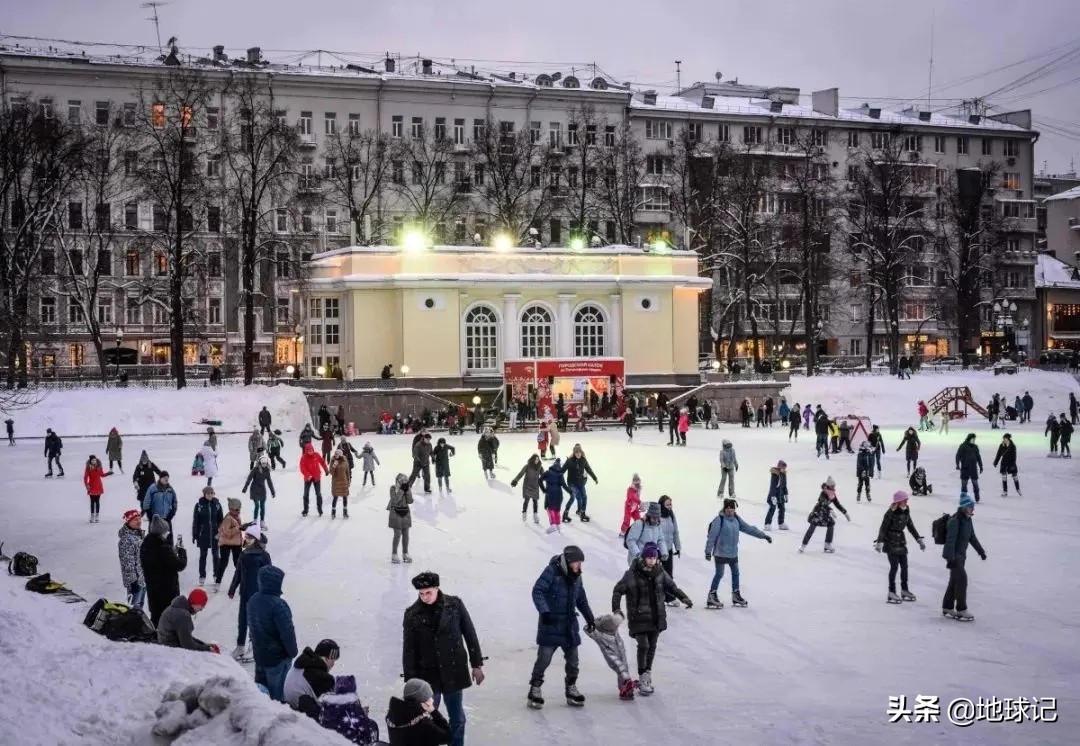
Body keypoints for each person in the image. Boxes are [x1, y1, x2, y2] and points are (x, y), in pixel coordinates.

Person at [402, 572, 485, 746]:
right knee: (428, 720)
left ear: (437, 589)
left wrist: (476, 664)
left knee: (457, 719)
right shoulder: (411, 614)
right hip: (428, 677)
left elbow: (470, 633)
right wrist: (411, 682)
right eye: (421, 593)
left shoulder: (455, 605)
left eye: (428, 593)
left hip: (453, 672)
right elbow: (409, 650)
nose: (424, 597)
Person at [611, 542, 692, 696]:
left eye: (653, 557)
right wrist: (616, 609)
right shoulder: (631, 574)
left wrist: (684, 598)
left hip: (656, 617)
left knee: (652, 646)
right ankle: (642, 676)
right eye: (648, 557)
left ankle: (647, 673)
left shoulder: (660, 572)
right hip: (638, 618)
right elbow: (617, 591)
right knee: (643, 645)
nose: (651, 560)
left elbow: (672, 587)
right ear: (643, 558)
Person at [527, 545, 596, 710]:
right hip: (550, 623)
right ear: (568, 561)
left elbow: (581, 599)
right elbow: (538, 591)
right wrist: (544, 611)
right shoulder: (552, 571)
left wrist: (590, 618)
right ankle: (535, 689)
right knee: (544, 659)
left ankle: (571, 688)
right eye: (577, 563)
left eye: (580, 563)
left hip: (569, 626)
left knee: (573, 662)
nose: (579, 566)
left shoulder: (577, 577)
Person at [705, 498, 771, 608]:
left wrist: (763, 535)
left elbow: (749, 528)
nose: (730, 512)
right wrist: (708, 551)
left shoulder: (736, 519)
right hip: (720, 552)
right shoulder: (719, 520)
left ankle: (735, 595)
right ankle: (712, 595)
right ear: (724, 509)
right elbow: (712, 536)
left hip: (732, 553)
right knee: (719, 574)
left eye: (732, 509)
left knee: (736, 573)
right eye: (728, 509)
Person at [248, 565, 298, 702]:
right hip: (278, 660)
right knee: (278, 700)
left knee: (261, 696)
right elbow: (287, 632)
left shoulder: (253, 600)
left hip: (260, 656)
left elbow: (252, 628)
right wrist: (292, 652)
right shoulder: (278, 605)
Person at [228, 524, 272, 660]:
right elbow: (238, 572)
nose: (246, 539)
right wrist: (232, 588)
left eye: (249, 537)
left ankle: (254, 647)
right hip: (245, 593)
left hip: (257, 594)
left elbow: (269, 575)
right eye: (245, 536)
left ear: (256, 539)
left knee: (254, 621)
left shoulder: (264, 556)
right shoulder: (244, 553)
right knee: (242, 620)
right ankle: (240, 645)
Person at [875, 490, 926, 604]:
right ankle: (891, 592)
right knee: (894, 567)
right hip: (890, 541)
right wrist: (880, 542)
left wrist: (919, 540)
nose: (906, 501)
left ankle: (904, 590)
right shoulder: (890, 513)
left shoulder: (906, 511)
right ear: (898, 502)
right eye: (904, 500)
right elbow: (883, 528)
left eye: (906, 500)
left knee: (904, 566)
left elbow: (910, 526)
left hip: (901, 541)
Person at [942, 493, 987, 621]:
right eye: (971, 507)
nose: (973, 509)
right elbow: (950, 541)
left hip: (961, 556)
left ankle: (947, 606)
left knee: (954, 581)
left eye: (973, 507)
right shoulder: (955, 521)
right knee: (962, 579)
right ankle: (961, 609)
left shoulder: (967, 519)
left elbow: (972, 537)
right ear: (964, 507)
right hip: (954, 556)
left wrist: (981, 551)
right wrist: (950, 558)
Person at [140, 516, 188, 627]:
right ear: (161, 532)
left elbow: (161, 561)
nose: (168, 533)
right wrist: (182, 551)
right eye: (166, 531)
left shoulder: (146, 545)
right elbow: (180, 565)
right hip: (167, 590)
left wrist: (172, 552)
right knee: (167, 619)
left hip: (153, 589)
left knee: (156, 617)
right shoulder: (163, 548)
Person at [583, 612, 635, 701]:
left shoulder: (613, 627)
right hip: (610, 655)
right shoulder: (599, 635)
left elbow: (617, 619)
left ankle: (624, 687)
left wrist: (619, 616)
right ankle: (626, 682)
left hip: (621, 651)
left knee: (624, 667)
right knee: (620, 668)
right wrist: (592, 625)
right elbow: (586, 629)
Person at [386, 678, 452, 746]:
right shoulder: (424, 724)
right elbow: (448, 737)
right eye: (429, 698)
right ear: (422, 702)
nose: (432, 700)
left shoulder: (392, 714)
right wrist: (433, 711)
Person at [284, 638, 339, 716]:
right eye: (333, 659)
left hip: (290, 702)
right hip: (302, 709)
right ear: (327, 658)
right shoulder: (321, 677)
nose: (333, 664)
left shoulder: (304, 662)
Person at [799, 477, 850, 553]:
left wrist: (845, 513)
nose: (834, 487)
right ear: (829, 486)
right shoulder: (824, 492)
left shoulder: (832, 494)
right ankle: (803, 545)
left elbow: (837, 504)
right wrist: (831, 510)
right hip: (818, 512)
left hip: (825, 513)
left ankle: (827, 544)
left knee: (831, 524)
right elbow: (823, 504)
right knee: (812, 526)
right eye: (832, 486)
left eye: (834, 486)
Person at [158, 588, 218, 652]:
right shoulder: (183, 615)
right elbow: (188, 645)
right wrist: (207, 649)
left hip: (166, 642)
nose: (202, 608)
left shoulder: (178, 607)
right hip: (169, 648)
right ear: (195, 602)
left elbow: (186, 637)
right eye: (202, 605)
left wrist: (204, 644)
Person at [191, 486, 223, 587]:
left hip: (215, 535)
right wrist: (195, 534)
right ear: (204, 494)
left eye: (211, 493)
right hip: (203, 535)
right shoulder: (199, 505)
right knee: (203, 556)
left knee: (216, 556)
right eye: (208, 493)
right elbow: (195, 521)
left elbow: (221, 520)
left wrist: (220, 532)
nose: (210, 495)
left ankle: (216, 575)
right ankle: (202, 576)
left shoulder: (217, 505)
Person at [562, 444, 598, 523]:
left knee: (584, 497)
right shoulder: (569, 461)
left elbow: (589, 469)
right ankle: (565, 514)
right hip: (571, 483)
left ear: (581, 452)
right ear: (574, 453)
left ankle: (582, 513)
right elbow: (562, 471)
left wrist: (594, 478)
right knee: (573, 496)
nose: (578, 454)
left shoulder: (583, 460)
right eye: (576, 452)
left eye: (579, 452)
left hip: (580, 482)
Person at [624, 501, 668, 567]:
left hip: (651, 560)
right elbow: (630, 540)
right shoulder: (639, 524)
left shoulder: (657, 526)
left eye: (657, 518)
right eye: (654, 518)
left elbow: (660, 540)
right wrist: (637, 553)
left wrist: (664, 552)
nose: (656, 520)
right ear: (649, 516)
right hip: (637, 560)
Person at [118, 508, 146, 609]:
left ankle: (138, 624)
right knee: (134, 609)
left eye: (139, 519)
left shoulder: (138, 535)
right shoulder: (126, 539)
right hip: (135, 581)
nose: (139, 521)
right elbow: (127, 563)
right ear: (128, 522)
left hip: (142, 578)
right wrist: (133, 581)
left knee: (139, 607)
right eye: (135, 519)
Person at [657, 496, 682, 606]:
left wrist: (678, 546)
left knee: (669, 575)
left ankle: (669, 598)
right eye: (667, 505)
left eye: (670, 504)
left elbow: (675, 531)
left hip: (669, 549)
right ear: (662, 505)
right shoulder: (656, 516)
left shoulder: (671, 515)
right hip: (657, 551)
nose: (669, 507)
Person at [242, 455, 276, 530]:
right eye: (263, 463)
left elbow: (269, 482)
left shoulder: (267, 471)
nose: (264, 465)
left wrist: (272, 492)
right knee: (257, 505)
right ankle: (255, 520)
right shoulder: (255, 469)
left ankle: (262, 521)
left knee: (262, 506)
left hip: (262, 490)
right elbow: (249, 479)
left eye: (265, 463)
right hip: (254, 489)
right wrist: (245, 488)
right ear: (260, 463)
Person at [215, 498, 244, 586]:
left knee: (238, 563)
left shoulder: (237, 517)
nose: (238, 511)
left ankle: (243, 581)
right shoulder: (228, 518)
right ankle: (218, 581)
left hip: (236, 544)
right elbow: (227, 532)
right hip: (225, 543)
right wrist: (239, 528)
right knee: (223, 562)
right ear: (231, 509)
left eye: (239, 509)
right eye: (236, 510)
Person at [540, 458, 572, 534]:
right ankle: (558, 525)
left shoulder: (548, 473)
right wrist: (570, 492)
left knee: (550, 509)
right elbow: (564, 485)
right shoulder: (560, 475)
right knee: (557, 510)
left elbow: (539, 480)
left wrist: (544, 490)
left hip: (550, 493)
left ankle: (553, 525)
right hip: (559, 494)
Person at [511, 454, 544, 524]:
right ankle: (524, 513)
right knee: (527, 500)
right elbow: (521, 474)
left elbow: (544, 475)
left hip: (535, 486)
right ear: (532, 459)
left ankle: (535, 516)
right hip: (527, 486)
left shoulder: (540, 467)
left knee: (535, 501)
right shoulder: (527, 466)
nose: (537, 460)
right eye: (535, 459)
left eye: (538, 459)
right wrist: (515, 480)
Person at [388, 473, 414, 563]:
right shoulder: (393, 489)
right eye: (402, 481)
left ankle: (405, 553)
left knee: (406, 535)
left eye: (405, 481)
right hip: (395, 513)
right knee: (397, 534)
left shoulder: (406, 488)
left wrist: (407, 491)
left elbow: (410, 501)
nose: (404, 483)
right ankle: (394, 554)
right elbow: (395, 501)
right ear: (398, 481)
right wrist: (402, 490)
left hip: (405, 513)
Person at [299, 442, 329, 517]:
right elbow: (302, 468)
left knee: (318, 494)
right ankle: (305, 510)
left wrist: (326, 470)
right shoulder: (304, 457)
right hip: (308, 478)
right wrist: (308, 475)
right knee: (306, 494)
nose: (310, 452)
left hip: (316, 477)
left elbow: (322, 462)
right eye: (309, 451)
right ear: (306, 451)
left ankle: (320, 509)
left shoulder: (316, 455)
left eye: (311, 450)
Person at [83, 455, 114, 524]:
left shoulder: (99, 467)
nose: (94, 461)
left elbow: (102, 475)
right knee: (92, 502)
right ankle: (92, 516)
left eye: (95, 460)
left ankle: (97, 516)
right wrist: (87, 486)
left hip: (98, 486)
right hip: (91, 486)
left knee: (97, 501)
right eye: (92, 460)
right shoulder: (88, 468)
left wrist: (108, 473)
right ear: (90, 461)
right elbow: (85, 478)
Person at [955, 433, 984, 502]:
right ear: (969, 438)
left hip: (973, 468)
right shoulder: (963, 446)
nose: (974, 440)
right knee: (964, 485)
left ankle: (977, 497)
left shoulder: (975, 447)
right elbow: (958, 455)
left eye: (974, 439)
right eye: (972, 439)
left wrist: (981, 466)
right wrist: (957, 464)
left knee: (975, 484)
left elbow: (978, 457)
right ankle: (964, 498)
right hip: (965, 468)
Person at [992, 432, 1022, 497]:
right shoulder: (1001, 445)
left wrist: (1013, 464)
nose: (1004, 440)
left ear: (1008, 439)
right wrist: (995, 462)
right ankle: (1005, 491)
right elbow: (998, 454)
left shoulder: (1012, 446)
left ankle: (1018, 489)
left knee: (1015, 477)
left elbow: (1014, 456)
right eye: (1004, 439)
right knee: (1004, 478)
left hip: (1011, 463)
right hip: (1004, 463)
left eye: (1006, 439)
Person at [763, 459, 789, 531]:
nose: (784, 469)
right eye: (783, 468)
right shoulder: (775, 475)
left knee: (782, 508)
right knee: (772, 508)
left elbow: (784, 486)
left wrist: (786, 494)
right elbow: (773, 486)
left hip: (780, 494)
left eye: (784, 468)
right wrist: (773, 496)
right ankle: (767, 524)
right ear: (779, 467)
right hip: (774, 494)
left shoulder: (783, 474)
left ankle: (781, 523)